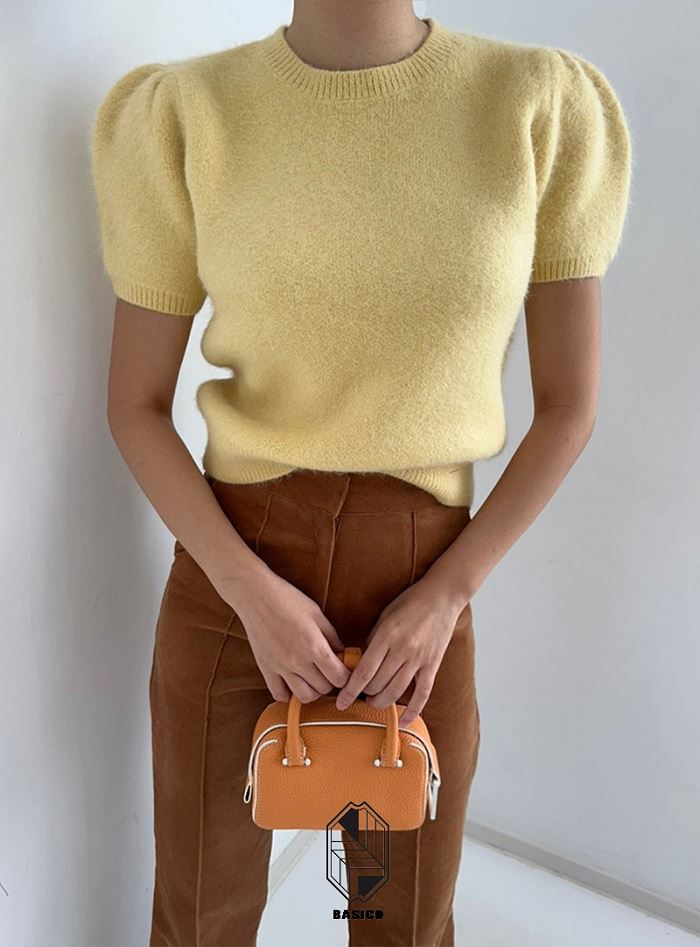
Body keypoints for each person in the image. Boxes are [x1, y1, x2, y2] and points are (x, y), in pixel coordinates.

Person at [89, 2, 633, 944]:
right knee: (200, 919)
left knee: (401, 925)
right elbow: (134, 404)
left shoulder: (537, 104)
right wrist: (247, 591)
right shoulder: (185, 111)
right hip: (233, 580)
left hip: (421, 597)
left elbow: (570, 407)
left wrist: (446, 595)